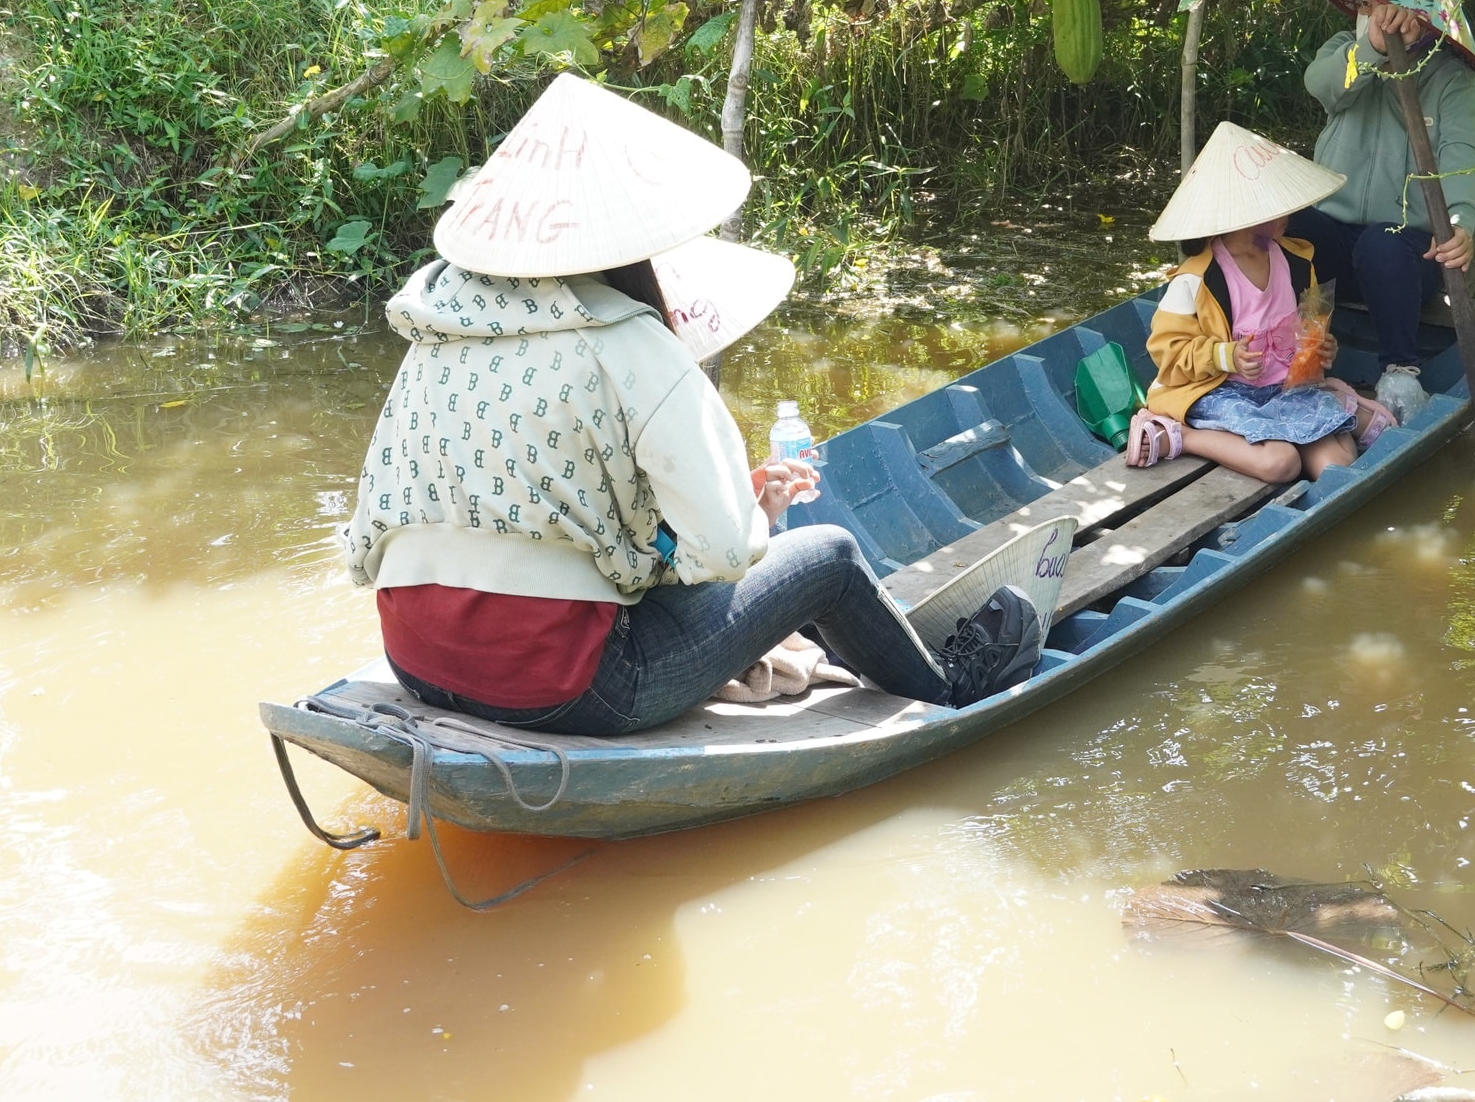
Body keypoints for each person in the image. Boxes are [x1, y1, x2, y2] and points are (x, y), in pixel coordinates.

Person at [339, 72, 1038, 734]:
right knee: (832, 553)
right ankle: (948, 685)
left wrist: (727, 515)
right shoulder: (627, 339)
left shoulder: (433, 334)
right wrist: (750, 514)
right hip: (569, 685)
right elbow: (728, 550)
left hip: (416, 661)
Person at [1126, 122, 1395, 484]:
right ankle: (1179, 437)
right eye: (1278, 206)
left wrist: (1319, 350)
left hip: (1286, 389)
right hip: (1221, 392)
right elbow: (1167, 352)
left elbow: (1309, 330)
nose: (1291, 213)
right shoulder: (1196, 279)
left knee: (1337, 468)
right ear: (1245, 214)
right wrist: (1226, 356)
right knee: (1280, 464)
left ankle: (1330, 411)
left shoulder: (1298, 263)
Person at [1289, 0, 1475, 423]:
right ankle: (1288, 347)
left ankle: (1400, 371)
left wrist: (1460, 223)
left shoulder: (1451, 77)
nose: (1373, 17)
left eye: (1386, 9)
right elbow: (1320, 86)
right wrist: (1374, 50)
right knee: (1288, 221)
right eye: (1366, 6)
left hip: (1403, 252)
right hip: (1333, 240)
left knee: (1384, 242)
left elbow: (1462, 153)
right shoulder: (1345, 52)